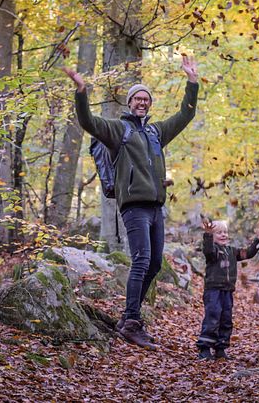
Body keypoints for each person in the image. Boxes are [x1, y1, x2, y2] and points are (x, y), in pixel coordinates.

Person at [62, 56, 199, 350]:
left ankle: (129, 318)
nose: (142, 102)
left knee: (154, 264)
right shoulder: (118, 130)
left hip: (155, 207)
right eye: (137, 98)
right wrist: (81, 91)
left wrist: (192, 82)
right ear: (130, 102)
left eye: (146, 98)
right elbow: (88, 122)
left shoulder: (155, 132)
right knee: (140, 260)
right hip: (133, 207)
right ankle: (132, 321)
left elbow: (185, 116)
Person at [197, 219, 259, 360]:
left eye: (225, 232)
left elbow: (247, 254)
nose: (224, 235)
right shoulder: (213, 251)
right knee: (213, 317)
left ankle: (221, 348)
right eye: (219, 233)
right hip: (213, 290)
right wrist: (207, 235)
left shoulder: (232, 251)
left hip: (227, 291)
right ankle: (205, 348)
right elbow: (207, 250)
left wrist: (258, 240)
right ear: (212, 236)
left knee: (226, 319)